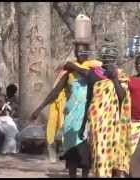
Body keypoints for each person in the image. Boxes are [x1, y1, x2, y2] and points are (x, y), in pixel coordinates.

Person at [31, 41, 101, 178]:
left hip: (87, 118)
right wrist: (39, 108)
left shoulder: (94, 69)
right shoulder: (68, 73)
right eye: (77, 51)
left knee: (86, 157)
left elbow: (93, 78)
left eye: (82, 51)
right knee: (72, 158)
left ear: (87, 52)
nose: (79, 54)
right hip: (71, 120)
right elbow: (55, 92)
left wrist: (75, 66)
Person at [76, 38, 131, 177]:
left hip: (115, 125)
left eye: (112, 56)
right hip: (97, 124)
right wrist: (83, 125)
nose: (109, 59)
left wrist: (114, 79)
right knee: (100, 156)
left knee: (115, 159)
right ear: (101, 57)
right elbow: (89, 99)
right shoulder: (94, 74)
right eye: (106, 56)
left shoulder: (121, 75)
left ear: (115, 57)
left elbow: (122, 97)